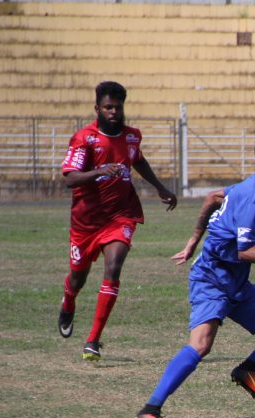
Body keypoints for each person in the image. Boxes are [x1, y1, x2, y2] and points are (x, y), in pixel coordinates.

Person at [135, 133, 255, 418]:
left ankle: (249, 369)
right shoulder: (253, 197)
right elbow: (246, 251)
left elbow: (212, 198)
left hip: (237, 284)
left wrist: (194, 240)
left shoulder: (253, 188)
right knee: (201, 344)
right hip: (211, 281)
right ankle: (150, 409)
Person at [57, 81, 178, 361]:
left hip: (121, 215)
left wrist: (160, 187)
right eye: (108, 107)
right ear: (97, 108)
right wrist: (100, 171)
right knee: (78, 277)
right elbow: (70, 178)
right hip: (86, 221)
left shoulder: (133, 136)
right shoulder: (84, 138)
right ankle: (68, 301)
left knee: (114, 268)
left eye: (118, 107)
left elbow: (138, 160)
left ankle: (93, 340)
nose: (113, 112)